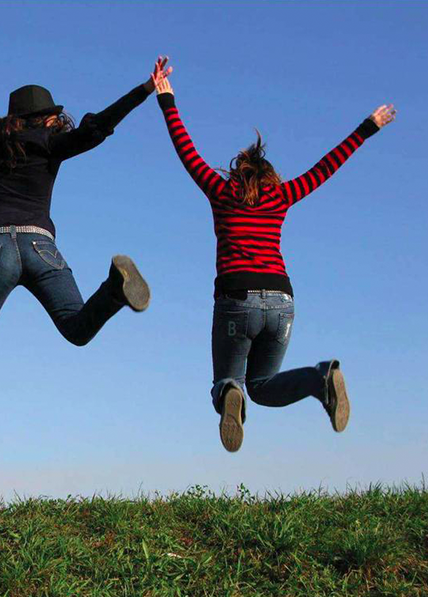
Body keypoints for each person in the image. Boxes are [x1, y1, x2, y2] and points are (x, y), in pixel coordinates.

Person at [0, 27, 168, 455]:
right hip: (41, 248)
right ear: (44, 117)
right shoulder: (51, 143)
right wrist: (144, 90)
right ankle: (114, 290)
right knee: (77, 328)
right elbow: (98, 127)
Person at [153, 65, 396, 452]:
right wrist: (367, 128)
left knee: (228, 381)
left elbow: (187, 151)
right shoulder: (282, 196)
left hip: (236, 296)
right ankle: (319, 379)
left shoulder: (220, 191)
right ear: (270, 178)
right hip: (282, 300)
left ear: (237, 174)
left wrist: (167, 100)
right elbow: (326, 167)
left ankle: (229, 391)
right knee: (263, 386)